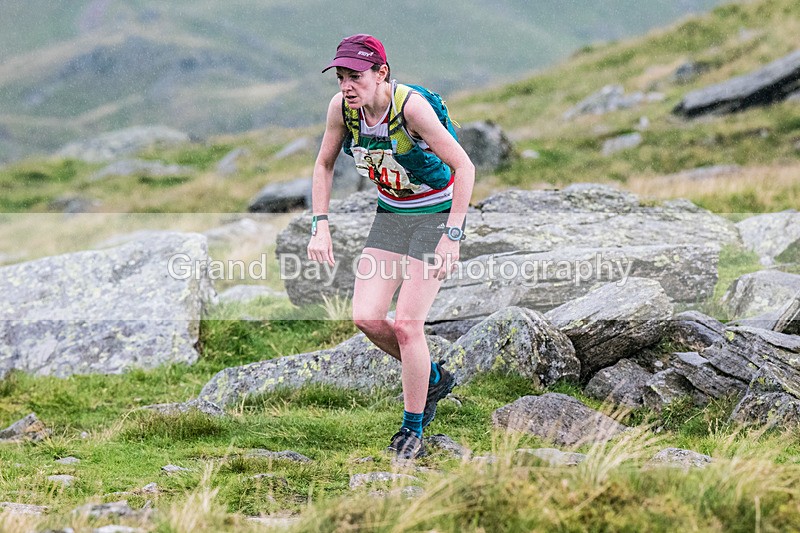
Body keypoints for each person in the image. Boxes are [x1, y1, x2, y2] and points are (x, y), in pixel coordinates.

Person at [307, 34, 475, 459]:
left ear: (381, 73)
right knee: (365, 317)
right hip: (392, 215)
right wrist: (320, 226)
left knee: (406, 326)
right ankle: (432, 377)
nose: (347, 86)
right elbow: (324, 164)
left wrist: (452, 236)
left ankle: (412, 428)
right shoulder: (342, 109)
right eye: (341, 77)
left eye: (356, 76)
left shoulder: (410, 108)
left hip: (435, 216)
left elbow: (464, 166)